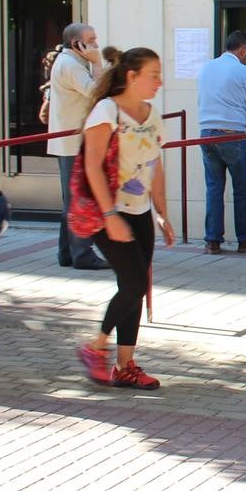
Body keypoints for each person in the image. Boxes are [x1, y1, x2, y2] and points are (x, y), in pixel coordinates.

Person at [74, 48, 176, 390]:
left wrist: (162, 213)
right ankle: (95, 347)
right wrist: (109, 215)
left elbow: (154, 164)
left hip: (140, 211)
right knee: (133, 283)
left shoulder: (152, 114)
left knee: (136, 288)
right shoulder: (106, 111)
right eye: (154, 75)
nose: (159, 82)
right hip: (108, 214)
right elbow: (92, 166)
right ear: (131, 76)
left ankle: (125, 366)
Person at [196, 30, 246, 254]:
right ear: (243, 50)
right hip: (232, 135)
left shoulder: (206, 68)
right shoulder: (243, 71)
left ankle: (212, 240)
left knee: (213, 188)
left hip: (206, 133)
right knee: (242, 189)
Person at [47, 22, 110, 270]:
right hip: (73, 144)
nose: (96, 44)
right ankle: (83, 254)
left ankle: (68, 253)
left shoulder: (69, 62)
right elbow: (98, 95)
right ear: (77, 44)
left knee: (72, 200)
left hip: (70, 143)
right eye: (91, 39)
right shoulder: (71, 65)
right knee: (79, 199)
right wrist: (97, 63)